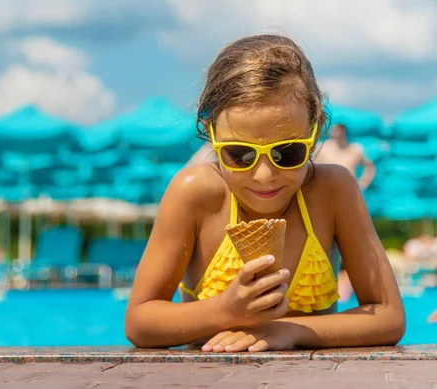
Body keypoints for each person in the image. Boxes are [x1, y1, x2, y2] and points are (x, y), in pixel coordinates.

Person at [124, 35, 405, 352]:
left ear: (315, 132)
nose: (264, 175)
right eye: (240, 154)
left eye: (287, 152)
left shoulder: (333, 191)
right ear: (211, 134)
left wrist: (290, 331)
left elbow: (388, 315)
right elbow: (139, 322)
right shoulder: (195, 193)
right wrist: (224, 310)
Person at [313, 123, 376, 190]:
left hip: (348, 190)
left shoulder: (355, 149)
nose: (338, 132)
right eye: (336, 129)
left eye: (341, 129)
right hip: (326, 190)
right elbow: (312, 167)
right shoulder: (322, 147)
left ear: (345, 131)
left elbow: (369, 166)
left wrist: (363, 183)